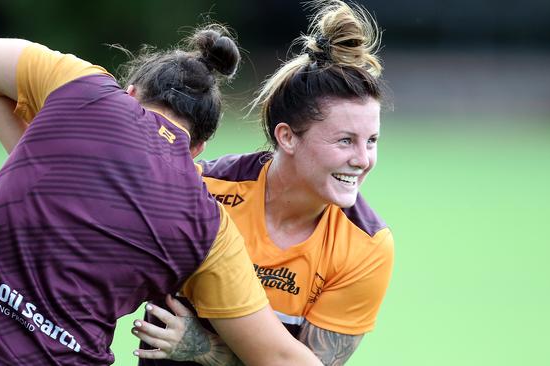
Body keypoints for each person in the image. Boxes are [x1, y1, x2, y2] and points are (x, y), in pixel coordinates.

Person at [0, 26, 321, 366]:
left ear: (132, 94)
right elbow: (277, 356)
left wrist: (31, 179)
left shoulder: (86, 89)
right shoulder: (209, 227)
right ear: (198, 149)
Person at [129, 1, 395, 365]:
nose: (364, 160)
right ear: (287, 137)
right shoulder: (204, 188)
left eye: (372, 141)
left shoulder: (365, 246)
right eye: (345, 141)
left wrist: (206, 348)